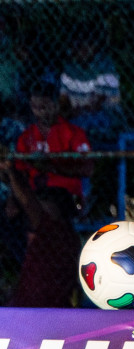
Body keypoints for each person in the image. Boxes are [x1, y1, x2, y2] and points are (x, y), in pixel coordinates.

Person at [0, 158, 80, 307]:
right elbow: (19, 205)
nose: (40, 204)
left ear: (57, 208)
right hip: (34, 304)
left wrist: (11, 170)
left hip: (40, 307)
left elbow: (28, 203)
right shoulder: (47, 232)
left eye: (44, 201)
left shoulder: (54, 230)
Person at [13, 81, 93, 202]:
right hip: (33, 195)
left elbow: (87, 169)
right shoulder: (26, 136)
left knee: (49, 200)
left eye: (44, 107)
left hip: (65, 194)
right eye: (35, 107)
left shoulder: (73, 133)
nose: (39, 112)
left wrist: (52, 167)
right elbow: (20, 170)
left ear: (56, 105)